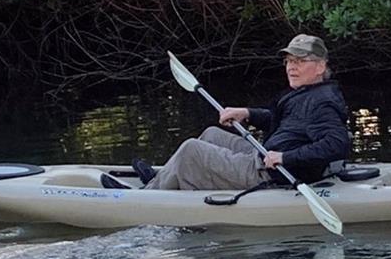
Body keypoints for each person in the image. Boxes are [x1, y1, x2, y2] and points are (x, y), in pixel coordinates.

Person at [136, 34, 351, 191]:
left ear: (320, 67)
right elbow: (283, 122)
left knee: (191, 150)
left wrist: (285, 157)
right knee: (212, 134)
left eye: (301, 61)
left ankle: (149, 194)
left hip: (270, 173)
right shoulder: (308, 93)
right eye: (289, 61)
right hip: (265, 156)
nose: (291, 67)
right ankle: (162, 178)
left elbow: (337, 144)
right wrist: (248, 113)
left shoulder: (322, 102)